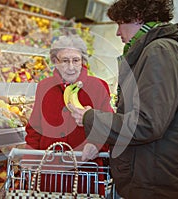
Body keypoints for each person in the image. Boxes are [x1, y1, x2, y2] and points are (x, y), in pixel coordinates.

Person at [68, 0, 178, 198]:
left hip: (160, 184)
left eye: (119, 24)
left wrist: (90, 118)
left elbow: (146, 124)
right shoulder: (153, 51)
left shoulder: (159, 52)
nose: (117, 33)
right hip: (154, 176)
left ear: (137, 17)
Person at [25, 33, 113, 195]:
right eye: (65, 61)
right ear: (55, 62)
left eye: (76, 60)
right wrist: (30, 156)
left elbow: (109, 126)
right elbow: (34, 128)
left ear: (83, 61)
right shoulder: (44, 87)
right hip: (49, 173)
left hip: (86, 173)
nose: (71, 67)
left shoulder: (99, 87)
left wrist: (97, 143)